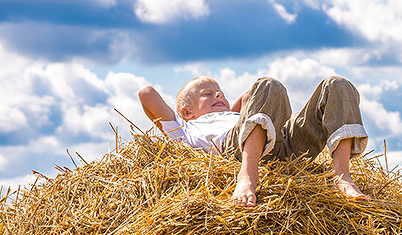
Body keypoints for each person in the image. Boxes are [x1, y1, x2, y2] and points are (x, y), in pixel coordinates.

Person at [138, 75, 368, 205]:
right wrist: (179, 117)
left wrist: (231, 107)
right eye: (207, 94)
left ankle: (341, 176)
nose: (218, 95)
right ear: (187, 112)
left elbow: (250, 96)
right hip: (236, 149)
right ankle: (248, 175)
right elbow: (146, 93)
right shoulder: (184, 128)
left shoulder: (236, 116)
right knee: (269, 85)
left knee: (337, 84)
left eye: (220, 92)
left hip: (282, 143)